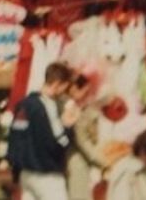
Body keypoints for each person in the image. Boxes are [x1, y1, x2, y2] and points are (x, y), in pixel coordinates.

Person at [7, 62, 80, 200]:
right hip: (47, 174)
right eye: (65, 87)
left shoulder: (23, 104)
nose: (65, 93)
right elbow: (56, 142)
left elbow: (14, 140)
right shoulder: (48, 106)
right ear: (58, 84)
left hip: (26, 173)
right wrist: (68, 127)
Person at [65, 74, 104, 200]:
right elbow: (81, 139)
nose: (86, 95)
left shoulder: (82, 106)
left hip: (82, 158)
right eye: (85, 91)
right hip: (77, 159)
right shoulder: (71, 107)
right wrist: (102, 160)